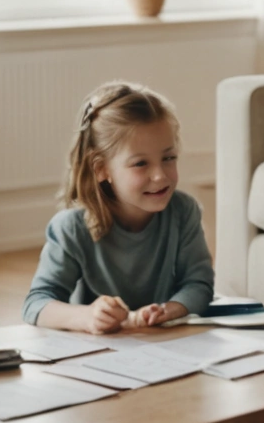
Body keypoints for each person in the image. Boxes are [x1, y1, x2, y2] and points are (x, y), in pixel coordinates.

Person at [25, 82, 215, 333]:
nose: (160, 176)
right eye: (140, 164)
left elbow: (199, 284)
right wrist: (87, 317)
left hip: (164, 343)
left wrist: (169, 309)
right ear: (102, 169)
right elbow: (36, 304)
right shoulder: (71, 227)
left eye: (168, 158)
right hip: (100, 352)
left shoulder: (183, 211)